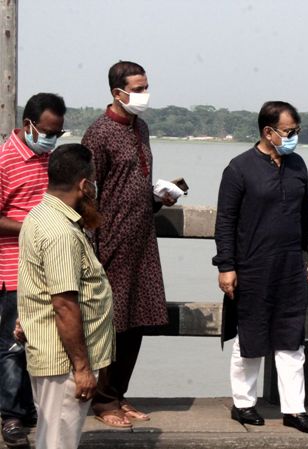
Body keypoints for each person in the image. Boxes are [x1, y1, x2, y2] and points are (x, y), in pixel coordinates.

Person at [213, 101, 308, 434]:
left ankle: (294, 409)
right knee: (250, 337)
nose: (293, 137)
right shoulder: (239, 169)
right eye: (289, 132)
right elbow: (225, 222)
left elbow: (307, 213)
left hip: (290, 265)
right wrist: (226, 266)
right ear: (268, 131)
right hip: (252, 266)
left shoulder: (297, 165)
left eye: (296, 131)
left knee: (292, 338)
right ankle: (244, 404)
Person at [81, 61, 175, 427]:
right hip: (110, 242)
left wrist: (158, 197)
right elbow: (87, 195)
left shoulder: (142, 127)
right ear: (116, 92)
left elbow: (133, 185)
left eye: (146, 86)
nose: (144, 94)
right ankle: (102, 401)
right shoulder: (98, 134)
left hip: (142, 240)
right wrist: (93, 247)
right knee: (111, 323)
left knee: (137, 320)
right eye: (137, 89)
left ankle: (119, 393)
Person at [17, 143, 114, 449]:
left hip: (52, 349)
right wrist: (82, 368)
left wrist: (25, 318)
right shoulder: (60, 233)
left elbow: (35, 281)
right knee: (58, 442)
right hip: (64, 361)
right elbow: (64, 305)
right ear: (84, 185)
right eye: (93, 182)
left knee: (51, 438)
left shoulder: (39, 214)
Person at [0, 93, 66, 447]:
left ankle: (29, 409)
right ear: (29, 125)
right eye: (48, 132)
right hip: (13, 267)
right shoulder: (4, 160)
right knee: (13, 345)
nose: (52, 139)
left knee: (41, 342)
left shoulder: (50, 159)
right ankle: (10, 415)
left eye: (57, 133)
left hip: (48, 268)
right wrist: (31, 227)